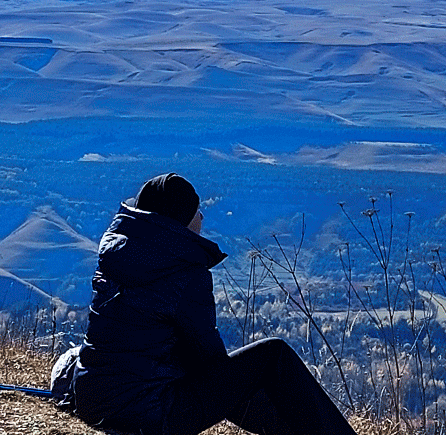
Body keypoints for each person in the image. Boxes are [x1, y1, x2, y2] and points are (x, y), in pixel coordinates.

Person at [51, 173, 357, 435]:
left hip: (94, 399)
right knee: (273, 356)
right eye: (198, 212)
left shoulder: (116, 257)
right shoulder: (184, 272)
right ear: (181, 219)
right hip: (149, 415)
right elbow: (209, 365)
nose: (202, 218)